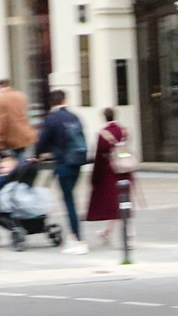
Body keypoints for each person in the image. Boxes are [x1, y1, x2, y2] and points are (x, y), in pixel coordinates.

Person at [34, 88, 88, 253]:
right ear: (65, 101)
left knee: (69, 201)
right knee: (72, 198)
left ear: (51, 103)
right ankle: (76, 237)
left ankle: (77, 240)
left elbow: (42, 141)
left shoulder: (51, 119)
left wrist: (37, 155)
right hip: (78, 162)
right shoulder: (74, 117)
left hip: (63, 162)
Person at [87, 107, 132, 250]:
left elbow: (99, 157)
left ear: (104, 118)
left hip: (109, 172)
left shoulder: (103, 134)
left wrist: (94, 178)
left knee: (115, 204)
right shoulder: (124, 131)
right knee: (123, 203)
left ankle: (128, 236)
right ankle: (106, 232)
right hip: (125, 169)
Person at [0, 77, 33, 159]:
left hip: (9, 136)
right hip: (23, 134)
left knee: (7, 162)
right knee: (21, 156)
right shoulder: (21, 96)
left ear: (0, 87)